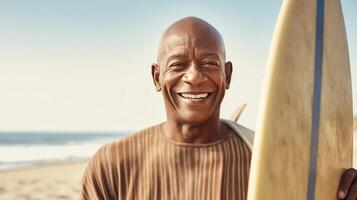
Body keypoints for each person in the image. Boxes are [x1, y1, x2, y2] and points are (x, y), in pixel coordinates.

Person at [80, 17, 357, 200]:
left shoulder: (271, 165)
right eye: (178, 65)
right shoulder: (111, 167)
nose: (195, 77)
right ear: (156, 76)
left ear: (228, 75)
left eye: (209, 64)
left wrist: (337, 189)